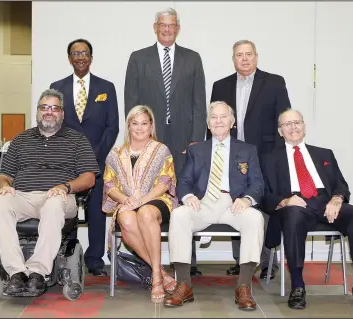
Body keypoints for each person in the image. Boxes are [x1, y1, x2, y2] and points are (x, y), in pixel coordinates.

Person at [0, 89, 100, 296]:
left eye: (54, 108)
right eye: (44, 107)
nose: (49, 112)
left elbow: (89, 177)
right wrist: (4, 186)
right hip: (23, 196)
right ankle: (17, 272)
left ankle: (37, 272)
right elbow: (3, 176)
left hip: (58, 197)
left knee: (54, 202)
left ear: (62, 114)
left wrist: (65, 187)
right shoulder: (20, 140)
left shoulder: (77, 140)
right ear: (37, 112)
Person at [261, 109, 353, 309]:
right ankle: (297, 286)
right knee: (293, 216)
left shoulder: (324, 153)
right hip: (296, 206)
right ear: (280, 131)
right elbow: (264, 196)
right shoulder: (268, 158)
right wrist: (285, 201)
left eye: (297, 122)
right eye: (287, 124)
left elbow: (341, 184)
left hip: (325, 203)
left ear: (304, 127)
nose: (293, 127)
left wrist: (337, 199)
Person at [124, 8, 206, 276]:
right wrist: (138, 137)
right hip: (150, 139)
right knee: (150, 194)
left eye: (172, 25)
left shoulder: (192, 59)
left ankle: (187, 261)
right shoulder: (138, 58)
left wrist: (196, 139)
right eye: (163, 25)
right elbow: (132, 102)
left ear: (178, 28)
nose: (167, 29)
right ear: (155, 27)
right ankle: (150, 259)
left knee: (186, 194)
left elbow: (198, 103)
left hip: (185, 140)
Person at [165, 101, 265, 310]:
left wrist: (247, 199)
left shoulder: (247, 149)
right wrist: (189, 196)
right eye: (213, 117)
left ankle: (244, 286)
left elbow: (257, 183)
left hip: (234, 204)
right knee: (179, 215)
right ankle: (184, 284)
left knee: (255, 218)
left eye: (223, 117)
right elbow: (183, 182)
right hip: (203, 203)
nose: (218, 121)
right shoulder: (197, 150)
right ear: (208, 124)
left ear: (232, 122)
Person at [210, 39, 291, 278]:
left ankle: (267, 262)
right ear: (233, 59)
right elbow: (214, 122)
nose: (244, 59)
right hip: (230, 156)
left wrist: (281, 155)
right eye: (239, 55)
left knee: (263, 207)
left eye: (248, 54)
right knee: (235, 202)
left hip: (265, 155)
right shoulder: (220, 86)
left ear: (256, 56)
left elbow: (283, 119)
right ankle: (242, 260)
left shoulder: (274, 82)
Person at [50, 39, 119, 276]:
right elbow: (54, 125)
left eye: (85, 53)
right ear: (69, 58)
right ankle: (65, 256)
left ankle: (95, 260)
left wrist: (94, 156)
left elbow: (112, 127)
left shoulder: (106, 87)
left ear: (91, 57)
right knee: (65, 209)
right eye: (75, 53)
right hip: (66, 163)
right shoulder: (56, 87)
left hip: (98, 161)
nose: (81, 57)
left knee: (97, 212)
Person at [102, 105, 177, 304]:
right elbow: (109, 184)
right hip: (126, 202)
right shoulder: (116, 153)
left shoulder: (161, 150)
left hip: (156, 201)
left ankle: (155, 279)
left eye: (144, 123)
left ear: (151, 126)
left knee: (144, 213)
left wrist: (141, 200)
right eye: (135, 123)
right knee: (126, 218)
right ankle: (160, 273)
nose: (139, 128)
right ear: (128, 126)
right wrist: (125, 200)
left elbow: (165, 182)